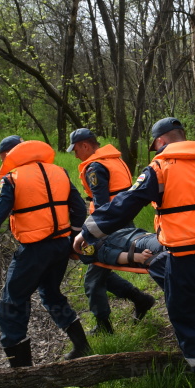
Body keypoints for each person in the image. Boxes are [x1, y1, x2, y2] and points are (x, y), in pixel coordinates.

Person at [73, 117, 195, 388]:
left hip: (187, 257)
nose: (156, 151)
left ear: (161, 142)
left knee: (185, 321)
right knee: (156, 263)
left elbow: (127, 202)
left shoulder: (161, 168)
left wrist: (90, 230)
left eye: (155, 146)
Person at [0, 136, 93, 368]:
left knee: (12, 304)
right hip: (60, 246)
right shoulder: (59, 171)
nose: (4, 164)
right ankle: (82, 346)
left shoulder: (12, 179)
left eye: (4, 158)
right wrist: (73, 240)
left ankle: (21, 372)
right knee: (52, 294)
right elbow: (78, 208)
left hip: (34, 250)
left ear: (12, 154)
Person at [67, 128, 156, 334]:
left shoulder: (95, 167)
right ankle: (141, 299)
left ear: (85, 146)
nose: (76, 154)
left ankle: (104, 327)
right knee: (101, 272)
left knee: (93, 278)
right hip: (124, 221)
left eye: (76, 149)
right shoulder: (115, 160)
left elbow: (101, 205)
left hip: (109, 227)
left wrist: (92, 232)